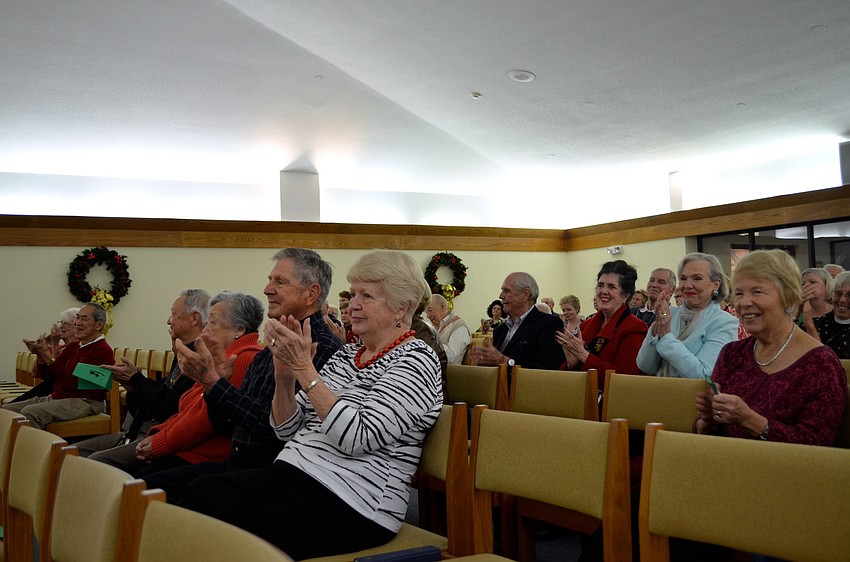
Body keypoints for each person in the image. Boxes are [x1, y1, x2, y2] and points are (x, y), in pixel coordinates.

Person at [179, 250, 442, 559]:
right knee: (203, 495)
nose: (352, 304)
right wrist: (285, 377)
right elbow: (285, 429)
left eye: (367, 296)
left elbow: (357, 438)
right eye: (353, 293)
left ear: (402, 308)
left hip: (356, 499)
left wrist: (305, 369)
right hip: (297, 471)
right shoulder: (348, 355)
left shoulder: (416, 360)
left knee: (258, 531)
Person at [140, 248, 343, 503]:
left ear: (311, 293)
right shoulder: (272, 343)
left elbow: (273, 428)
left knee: (177, 492)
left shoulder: (320, 347)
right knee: (144, 485)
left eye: (279, 282)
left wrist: (213, 383)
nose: (268, 289)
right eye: (270, 280)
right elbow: (227, 423)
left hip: (271, 469)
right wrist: (216, 383)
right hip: (239, 460)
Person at [695, 250, 847, 445]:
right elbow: (712, 433)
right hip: (727, 466)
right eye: (739, 293)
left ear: (789, 297)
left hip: (784, 473)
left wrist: (750, 420)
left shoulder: (820, 363)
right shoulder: (731, 354)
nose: (744, 303)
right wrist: (707, 423)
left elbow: (819, 445)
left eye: (757, 292)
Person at [133, 292, 264, 477]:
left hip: (205, 454)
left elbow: (204, 421)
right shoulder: (224, 355)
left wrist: (160, 443)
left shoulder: (243, 358)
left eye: (212, 322)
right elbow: (188, 406)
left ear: (239, 330)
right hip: (188, 446)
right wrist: (160, 433)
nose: (204, 330)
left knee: (133, 481)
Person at [76, 289, 209, 466]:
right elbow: (151, 400)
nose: (169, 321)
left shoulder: (200, 357)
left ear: (194, 318)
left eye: (174, 314)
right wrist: (132, 387)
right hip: (138, 429)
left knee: (95, 462)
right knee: (71, 452)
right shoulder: (184, 351)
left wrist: (137, 381)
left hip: (159, 435)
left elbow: (174, 406)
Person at [5, 303, 113, 428]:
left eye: (84, 318)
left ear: (98, 325)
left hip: (86, 401)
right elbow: (49, 377)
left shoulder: (102, 350)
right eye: (77, 317)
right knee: (6, 411)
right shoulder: (74, 346)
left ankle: (37, 447)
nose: (77, 322)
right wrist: (39, 354)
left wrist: (47, 355)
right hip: (60, 397)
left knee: (30, 413)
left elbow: (75, 384)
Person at [637, 253, 739, 378]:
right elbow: (645, 366)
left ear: (716, 284)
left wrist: (666, 337)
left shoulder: (724, 322)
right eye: (684, 278)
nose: (688, 285)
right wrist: (657, 327)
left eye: (697, 278)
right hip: (660, 394)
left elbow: (704, 375)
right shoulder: (669, 314)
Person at [556, 260, 648, 387]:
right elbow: (568, 376)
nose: (603, 291)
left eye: (611, 287)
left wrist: (583, 355)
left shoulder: (635, 328)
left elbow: (625, 379)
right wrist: (572, 364)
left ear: (625, 296)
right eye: (600, 285)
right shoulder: (585, 325)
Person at [471, 272, 565, 370]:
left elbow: (548, 370)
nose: (500, 296)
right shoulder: (500, 330)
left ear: (526, 294)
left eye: (506, 291)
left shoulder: (549, 324)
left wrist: (506, 361)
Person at [14, 307, 80, 403]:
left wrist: (54, 344)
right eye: (60, 322)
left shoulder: (78, 348)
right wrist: (39, 354)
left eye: (66, 323)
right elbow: (35, 373)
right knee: (9, 408)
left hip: (63, 393)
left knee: (13, 411)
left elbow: (57, 376)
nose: (61, 326)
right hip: (50, 389)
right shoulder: (61, 347)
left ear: (77, 326)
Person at [808, 271, 850, 359]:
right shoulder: (815, 325)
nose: (842, 300)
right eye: (838, 293)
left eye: (849, 295)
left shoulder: (810, 326)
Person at [426, 294, 471, 364]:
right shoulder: (435, 327)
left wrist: (431, 341)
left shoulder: (459, 326)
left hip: (450, 373)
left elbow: (451, 358)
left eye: (430, 310)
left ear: (442, 306)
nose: (428, 316)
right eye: (426, 312)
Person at [798, 267, 834, 332]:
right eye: (803, 284)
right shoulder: (798, 312)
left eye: (812, 282)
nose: (806, 285)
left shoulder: (837, 311)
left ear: (827, 285)